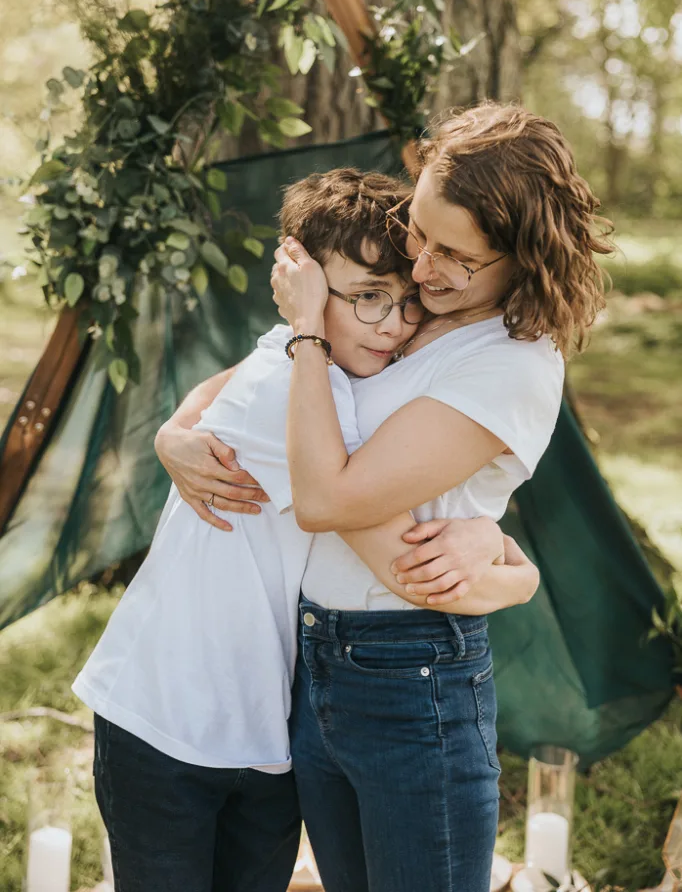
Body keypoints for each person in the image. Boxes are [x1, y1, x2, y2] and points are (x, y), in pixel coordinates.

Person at [166, 103, 612, 892]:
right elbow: (260, 380)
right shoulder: (412, 313)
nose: (425, 265)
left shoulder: (510, 361)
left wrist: (308, 332)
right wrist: (175, 433)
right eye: (419, 231)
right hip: (315, 658)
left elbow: (329, 497)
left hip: (413, 677)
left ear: (523, 256)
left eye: (455, 254)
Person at [74, 167, 532, 892]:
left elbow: (214, 391)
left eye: (405, 301)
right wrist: (520, 582)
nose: (392, 323)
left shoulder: (317, 367)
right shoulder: (301, 381)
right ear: (305, 290)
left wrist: (178, 428)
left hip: (264, 724)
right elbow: (401, 564)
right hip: (166, 718)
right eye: (366, 299)